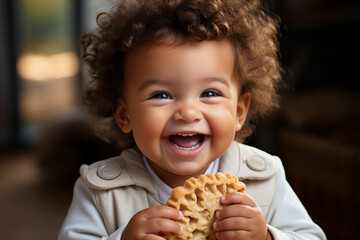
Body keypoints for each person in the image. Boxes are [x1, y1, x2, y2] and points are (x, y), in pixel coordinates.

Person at [59, 0, 326, 239]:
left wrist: (267, 237)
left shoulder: (265, 179)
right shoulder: (101, 191)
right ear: (124, 114)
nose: (187, 112)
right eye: (161, 95)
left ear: (239, 112)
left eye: (209, 93)